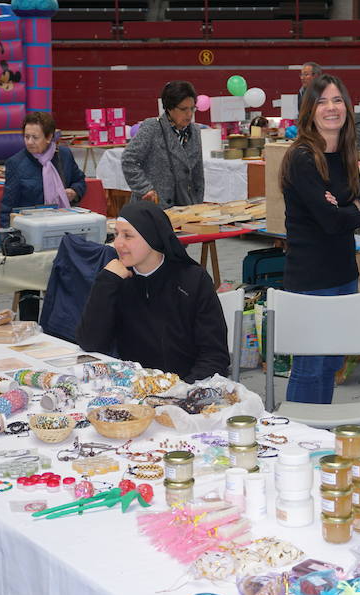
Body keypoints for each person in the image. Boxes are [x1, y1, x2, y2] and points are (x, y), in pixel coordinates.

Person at [279, 73, 360, 404]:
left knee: (331, 364)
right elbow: (333, 222)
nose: (331, 108)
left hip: (344, 276)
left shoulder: (345, 154)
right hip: (311, 280)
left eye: (336, 100)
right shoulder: (302, 157)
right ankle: (299, 438)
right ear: (309, 111)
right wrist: (349, 209)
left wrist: (343, 209)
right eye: (321, 102)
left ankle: (321, 437)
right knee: (309, 367)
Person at [76, 201, 229, 383]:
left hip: (188, 387)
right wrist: (105, 283)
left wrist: (183, 391)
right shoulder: (116, 280)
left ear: (152, 238)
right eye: (116, 234)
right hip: (133, 388)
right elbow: (90, 343)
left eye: (128, 236)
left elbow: (215, 355)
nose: (117, 243)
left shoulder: (193, 281)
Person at [122, 80, 204, 208]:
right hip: (155, 206)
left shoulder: (195, 131)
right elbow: (128, 160)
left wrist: (198, 205)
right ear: (169, 108)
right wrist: (144, 188)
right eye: (183, 109)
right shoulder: (152, 127)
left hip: (185, 207)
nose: (189, 114)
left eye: (192, 108)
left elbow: (198, 175)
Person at [0, 111, 85, 227]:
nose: (29, 142)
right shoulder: (16, 163)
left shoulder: (64, 155)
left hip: (65, 222)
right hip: (31, 226)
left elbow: (79, 181)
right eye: (26, 137)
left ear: (49, 137)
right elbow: (7, 207)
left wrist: (74, 191)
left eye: (35, 138)